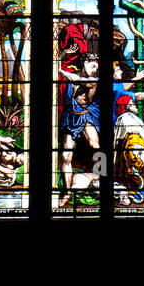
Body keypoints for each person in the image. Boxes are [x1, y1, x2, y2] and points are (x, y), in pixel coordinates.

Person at [58, 56, 101, 206]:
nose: (95, 70)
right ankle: (68, 192)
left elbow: (75, 79)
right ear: (85, 63)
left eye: (97, 67)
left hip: (86, 115)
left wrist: (58, 70)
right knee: (66, 156)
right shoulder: (73, 74)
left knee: (96, 146)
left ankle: (102, 179)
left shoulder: (93, 80)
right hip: (70, 116)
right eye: (93, 66)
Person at [113, 94, 144, 196]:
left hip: (143, 154)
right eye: (132, 104)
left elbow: (140, 134)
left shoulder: (131, 118)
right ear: (126, 107)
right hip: (138, 158)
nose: (135, 105)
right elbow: (132, 140)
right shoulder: (126, 119)